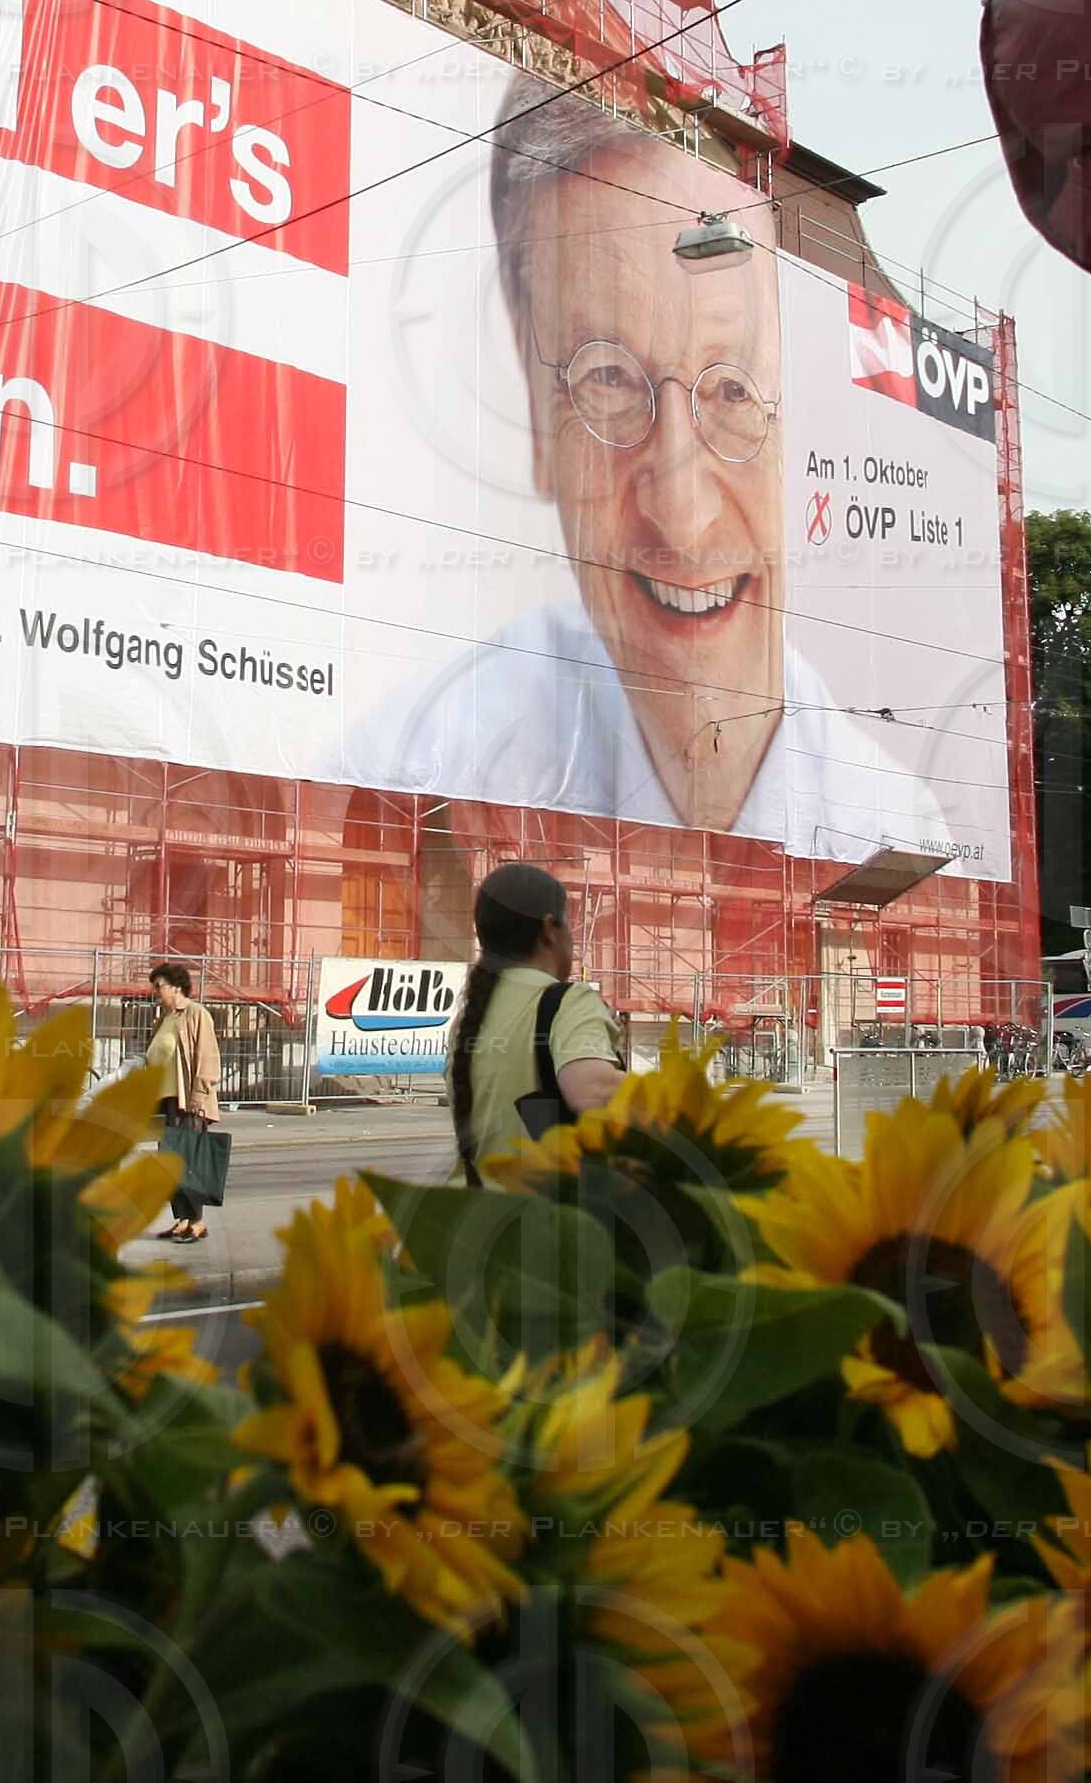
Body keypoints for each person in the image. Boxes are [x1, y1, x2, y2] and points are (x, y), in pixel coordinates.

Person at [338, 78, 942, 851]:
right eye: (609, 380)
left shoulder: (898, 831)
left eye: (732, 389)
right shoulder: (408, 763)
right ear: (533, 399)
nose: (682, 513)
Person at [444, 862, 625, 1186]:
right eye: (569, 924)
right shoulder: (567, 1001)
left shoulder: (469, 1018)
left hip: (473, 1218)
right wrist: (679, 1092)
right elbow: (590, 1090)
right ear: (549, 930)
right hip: (545, 1223)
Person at [143, 962, 222, 1244]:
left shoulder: (196, 1014)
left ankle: (198, 1222)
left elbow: (208, 1059)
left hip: (187, 1101)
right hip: (166, 1102)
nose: (155, 992)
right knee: (171, 1163)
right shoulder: (164, 1018)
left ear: (176, 987)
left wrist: (199, 1099)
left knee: (190, 1163)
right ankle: (183, 1220)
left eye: (159, 986)